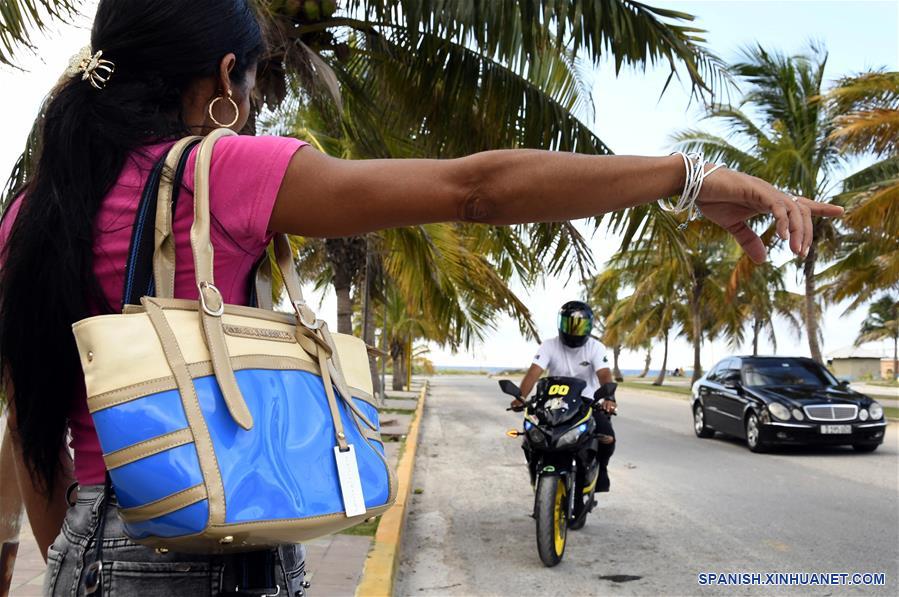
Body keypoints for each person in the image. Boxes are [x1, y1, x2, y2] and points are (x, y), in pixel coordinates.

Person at [0, 1, 842, 594]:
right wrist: (687, 176)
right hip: (210, 555)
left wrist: (85, 556)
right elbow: (475, 188)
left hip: (88, 548)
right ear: (225, 76)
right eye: (251, 84)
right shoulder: (224, 166)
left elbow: (32, 428)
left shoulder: (29, 216)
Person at [512, 301, 617, 492]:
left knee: (608, 436)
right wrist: (520, 396)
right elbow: (534, 373)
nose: (574, 330)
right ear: (561, 324)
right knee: (529, 437)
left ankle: (601, 470)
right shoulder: (549, 346)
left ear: (589, 326)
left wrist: (609, 397)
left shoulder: (595, 347)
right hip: (552, 402)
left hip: (586, 404)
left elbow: (604, 375)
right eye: (570, 324)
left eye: (580, 325)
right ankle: (535, 470)